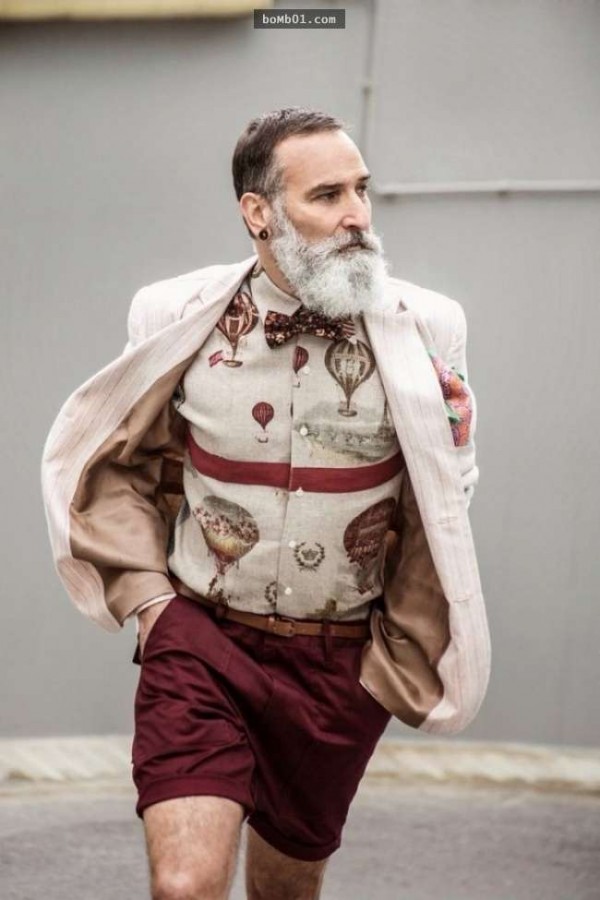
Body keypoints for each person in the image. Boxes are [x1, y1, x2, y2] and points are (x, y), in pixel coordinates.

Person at [42, 107, 491, 899]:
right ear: (258, 212)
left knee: (283, 890)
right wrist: (152, 607)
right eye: (327, 195)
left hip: (338, 668)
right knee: (185, 886)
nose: (357, 215)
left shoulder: (429, 327)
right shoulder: (174, 315)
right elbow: (118, 464)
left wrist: (389, 665)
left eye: (361, 190)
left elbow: (443, 500)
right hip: (200, 643)